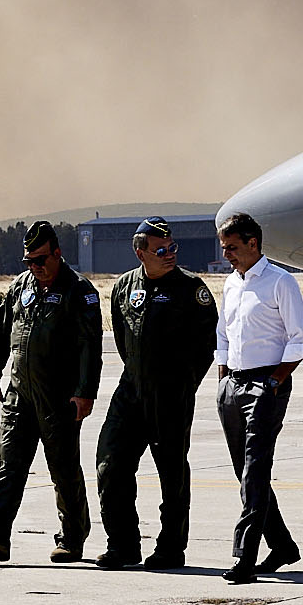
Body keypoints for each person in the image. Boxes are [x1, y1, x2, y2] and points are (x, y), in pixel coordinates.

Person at [0, 221, 102, 565]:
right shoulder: (21, 287)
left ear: (57, 253)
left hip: (60, 397)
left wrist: (86, 392)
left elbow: (90, 347)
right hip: (20, 393)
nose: (34, 267)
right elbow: (0, 333)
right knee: (9, 465)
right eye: (28, 261)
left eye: (40, 259)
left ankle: (71, 539)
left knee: (63, 469)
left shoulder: (78, 290)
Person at [95, 219, 217, 570]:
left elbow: (207, 345)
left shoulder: (191, 289)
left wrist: (182, 384)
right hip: (131, 389)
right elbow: (122, 336)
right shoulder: (123, 287)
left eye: (172, 248)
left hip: (171, 393)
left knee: (172, 473)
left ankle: (170, 547)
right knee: (111, 464)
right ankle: (122, 544)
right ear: (140, 252)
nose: (169, 255)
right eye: (160, 250)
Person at [212, 211, 303, 585]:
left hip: (265, 386)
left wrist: (273, 381)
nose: (228, 255)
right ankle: (283, 546)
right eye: (225, 248)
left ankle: (244, 556)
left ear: (254, 244)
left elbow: (300, 339)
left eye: (233, 248)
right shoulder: (231, 284)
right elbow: (223, 333)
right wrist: (223, 378)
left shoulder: (279, 282)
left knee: (255, 472)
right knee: (244, 472)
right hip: (232, 386)